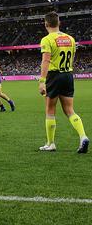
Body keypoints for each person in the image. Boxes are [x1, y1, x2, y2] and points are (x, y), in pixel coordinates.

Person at [38, 11, 88, 153]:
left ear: (46, 24)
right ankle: (83, 136)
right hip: (68, 74)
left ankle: (50, 143)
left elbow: (46, 60)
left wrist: (42, 81)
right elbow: (72, 57)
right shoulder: (70, 39)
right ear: (59, 23)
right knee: (70, 110)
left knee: (50, 109)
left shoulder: (47, 39)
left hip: (54, 76)